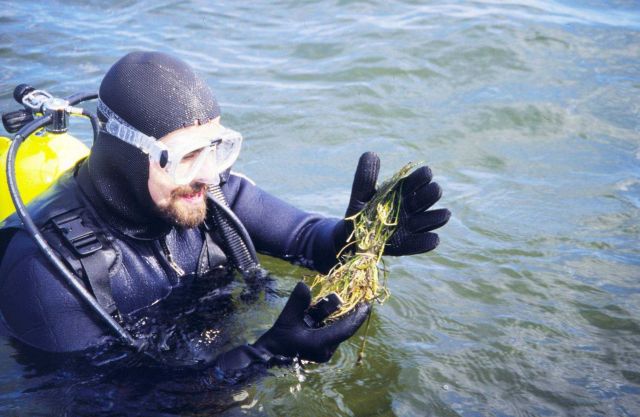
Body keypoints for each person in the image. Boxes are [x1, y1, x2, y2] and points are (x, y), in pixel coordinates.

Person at [0, 51, 450, 374]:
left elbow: (307, 239)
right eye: (186, 156)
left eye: (218, 148)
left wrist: (359, 237)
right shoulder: (44, 269)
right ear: (124, 157)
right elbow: (99, 399)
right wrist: (266, 355)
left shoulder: (205, 194)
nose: (210, 173)